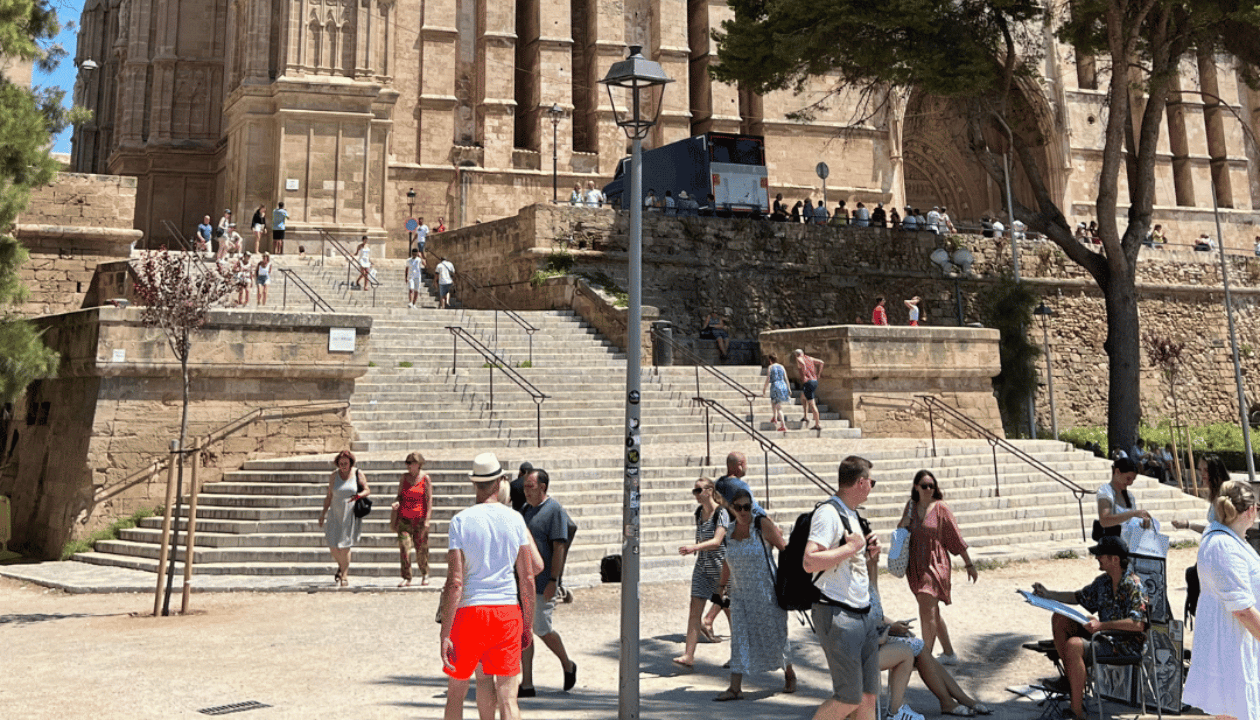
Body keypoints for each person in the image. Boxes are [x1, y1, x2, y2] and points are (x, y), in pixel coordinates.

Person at [440, 452, 541, 720]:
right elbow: (528, 577)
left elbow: (455, 583)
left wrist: (445, 633)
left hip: (470, 612)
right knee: (509, 698)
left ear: (475, 484)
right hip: (507, 611)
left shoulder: (460, 521)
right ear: (500, 483)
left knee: (456, 695)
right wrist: (527, 623)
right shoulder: (516, 520)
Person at [1030, 536, 1148, 720]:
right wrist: (1048, 594)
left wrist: (1102, 625)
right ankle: (1071, 679)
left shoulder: (1134, 586)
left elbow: (1138, 624)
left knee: (1074, 645)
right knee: (1060, 618)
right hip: (1103, 636)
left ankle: (1077, 712)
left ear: (1114, 559)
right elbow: (1078, 597)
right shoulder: (1103, 582)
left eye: (1101, 555)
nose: (1096, 558)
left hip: (1125, 644)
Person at [803, 455, 883, 720]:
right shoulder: (828, 513)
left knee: (869, 697)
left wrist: (867, 554)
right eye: (872, 481)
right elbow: (809, 561)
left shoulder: (851, 513)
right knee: (849, 697)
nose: (873, 486)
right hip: (837, 613)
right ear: (861, 482)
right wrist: (850, 548)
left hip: (862, 613)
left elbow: (848, 559)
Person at [867, 552, 990, 718]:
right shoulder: (852, 587)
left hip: (877, 637)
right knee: (918, 649)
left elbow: (877, 615)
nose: (876, 553)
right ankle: (954, 700)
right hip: (870, 642)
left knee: (918, 646)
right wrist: (891, 629)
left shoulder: (868, 580)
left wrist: (895, 625)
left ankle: (954, 700)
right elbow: (865, 623)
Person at [1182, 480, 1260, 720]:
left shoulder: (1230, 538)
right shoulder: (1223, 545)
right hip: (1232, 644)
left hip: (1235, 640)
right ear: (1250, 511)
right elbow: (1242, 610)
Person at [712, 489, 794, 700]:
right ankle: (734, 687)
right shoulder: (728, 532)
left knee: (776, 635)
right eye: (738, 507)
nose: (743, 511)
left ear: (752, 506)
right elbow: (727, 562)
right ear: (731, 508)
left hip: (766, 591)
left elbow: (784, 549)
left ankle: (789, 673)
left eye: (747, 507)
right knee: (739, 638)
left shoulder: (761, 525)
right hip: (740, 594)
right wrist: (720, 587)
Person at [897, 470, 977, 664]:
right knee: (931, 610)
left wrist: (969, 564)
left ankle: (925, 657)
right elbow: (900, 533)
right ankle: (949, 654)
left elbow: (955, 538)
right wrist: (902, 523)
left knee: (927, 610)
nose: (928, 489)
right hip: (915, 565)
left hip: (936, 564)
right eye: (924, 486)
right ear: (916, 486)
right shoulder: (910, 507)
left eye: (931, 486)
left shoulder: (941, 508)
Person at [519, 469, 577, 696]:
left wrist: (554, 579)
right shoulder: (525, 510)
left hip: (544, 582)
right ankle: (527, 683)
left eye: (530, 487)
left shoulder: (554, 511)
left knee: (542, 628)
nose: (526, 491)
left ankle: (567, 663)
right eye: (524, 487)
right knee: (525, 632)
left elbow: (559, 546)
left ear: (542, 487)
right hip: (524, 582)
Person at [676, 477, 732, 666]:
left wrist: (694, 547)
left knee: (730, 611)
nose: (696, 494)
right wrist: (696, 549)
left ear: (709, 490)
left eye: (698, 490)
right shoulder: (699, 513)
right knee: (694, 610)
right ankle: (688, 655)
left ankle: (739, 654)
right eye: (695, 491)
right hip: (702, 567)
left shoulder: (722, 512)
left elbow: (717, 541)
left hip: (720, 568)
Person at [318, 450, 370, 587]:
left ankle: (344, 574)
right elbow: (329, 496)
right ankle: (341, 566)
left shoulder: (357, 473)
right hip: (335, 513)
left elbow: (367, 490)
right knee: (333, 546)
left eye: (345, 463)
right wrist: (323, 513)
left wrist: (358, 496)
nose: (343, 466)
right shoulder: (334, 476)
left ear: (350, 462)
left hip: (349, 513)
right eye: (341, 463)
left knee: (345, 546)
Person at [390, 452, 431, 587]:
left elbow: (429, 500)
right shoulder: (404, 478)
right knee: (404, 548)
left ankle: (424, 573)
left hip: (419, 519)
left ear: (418, 465)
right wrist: (397, 503)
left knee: (421, 549)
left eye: (412, 463)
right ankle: (406, 576)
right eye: (407, 463)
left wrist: (427, 519)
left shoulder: (425, 479)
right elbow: (399, 495)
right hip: (404, 519)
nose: (409, 466)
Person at [1095, 455, 1152, 539]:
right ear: (1117, 472)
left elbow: (1133, 522)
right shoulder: (1105, 491)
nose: (1130, 483)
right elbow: (1104, 520)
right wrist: (1133, 514)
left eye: (1133, 480)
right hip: (1114, 542)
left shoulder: (1129, 496)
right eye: (1128, 478)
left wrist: (1144, 522)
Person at [1173, 454, 1230, 532]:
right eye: (1200, 470)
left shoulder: (1223, 494)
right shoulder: (1215, 494)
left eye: (1206, 470)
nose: (1202, 474)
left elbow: (1220, 531)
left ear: (1216, 471)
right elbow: (1214, 529)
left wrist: (1189, 525)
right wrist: (1188, 525)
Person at [715, 451, 765, 517]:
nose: (746, 468)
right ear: (739, 466)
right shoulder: (741, 486)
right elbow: (754, 508)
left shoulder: (718, 483)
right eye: (745, 465)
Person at [794, 348, 824, 431]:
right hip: (814, 381)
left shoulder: (799, 358)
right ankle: (805, 416)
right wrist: (818, 374)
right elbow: (821, 362)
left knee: (812, 404)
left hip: (808, 382)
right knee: (802, 396)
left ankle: (818, 424)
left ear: (796, 354)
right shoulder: (809, 358)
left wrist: (804, 376)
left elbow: (803, 365)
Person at [761, 354, 791, 432]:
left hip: (775, 386)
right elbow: (786, 378)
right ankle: (774, 417)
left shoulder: (770, 367)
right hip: (783, 385)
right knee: (773, 402)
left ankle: (783, 425)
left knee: (779, 407)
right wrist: (789, 388)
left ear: (770, 360)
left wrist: (764, 388)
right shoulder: (782, 367)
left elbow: (768, 378)